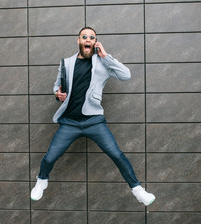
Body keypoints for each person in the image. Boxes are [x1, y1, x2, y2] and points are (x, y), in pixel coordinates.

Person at [31, 27, 156, 206]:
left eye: (92, 37)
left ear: (95, 42)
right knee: (50, 157)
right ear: (78, 41)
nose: (87, 39)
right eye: (84, 37)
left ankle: (137, 190)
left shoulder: (102, 63)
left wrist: (106, 56)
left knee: (117, 155)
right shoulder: (66, 63)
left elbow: (126, 75)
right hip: (70, 122)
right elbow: (57, 86)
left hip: (93, 121)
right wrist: (57, 94)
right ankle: (42, 181)